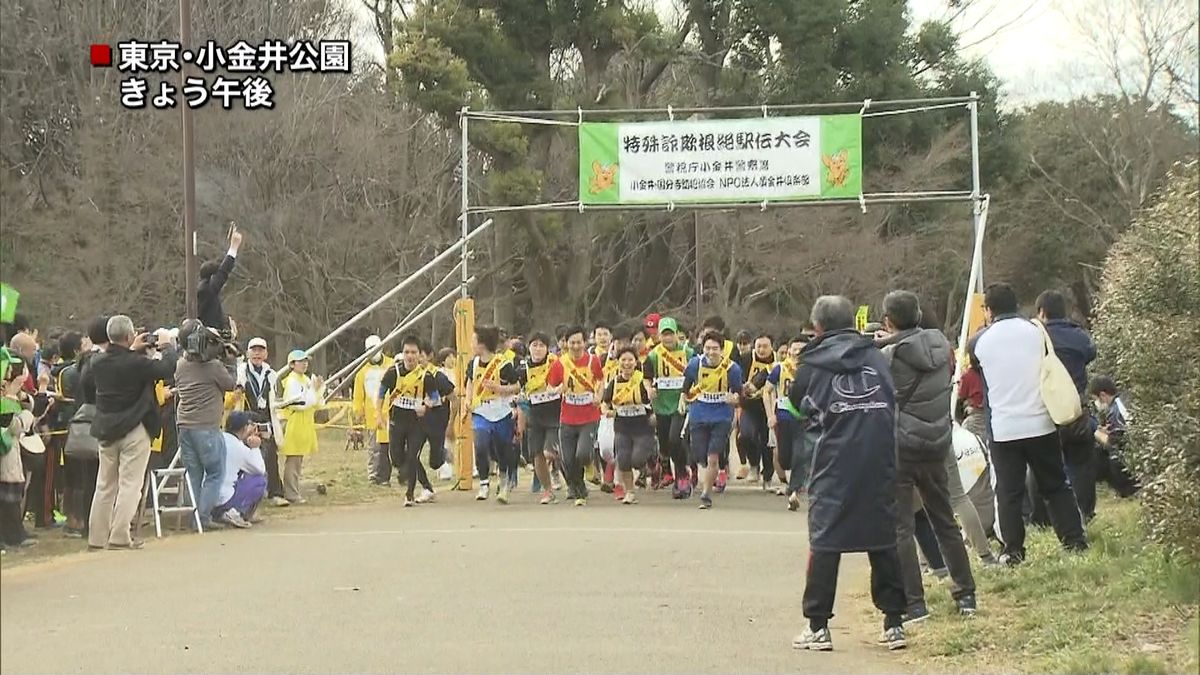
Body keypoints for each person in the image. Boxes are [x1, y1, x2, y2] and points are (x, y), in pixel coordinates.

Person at [787, 296, 908, 652]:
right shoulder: (876, 354)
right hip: (879, 455)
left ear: (818, 327)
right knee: (882, 537)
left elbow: (796, 404)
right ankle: (894, 623)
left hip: (833, 459)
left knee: (825, 540)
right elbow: (891, 396)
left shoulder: (810, 363)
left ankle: (818, 625)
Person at [875, 290, 980, 620]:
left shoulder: (890, 357)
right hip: (937, 442)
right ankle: (966, 595)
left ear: (889, 321)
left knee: (901, 528)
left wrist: (882, 344)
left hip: (900, 446)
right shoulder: (943, 347)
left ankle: (914, 603)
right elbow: (914, 345)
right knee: (944, 519)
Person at [969, 283, 1088, 566]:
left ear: (989, 309)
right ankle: (1073, 540)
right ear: (1017, 304)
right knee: (1056, 485)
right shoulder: (1036, 332)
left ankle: (1013, 550)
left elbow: (976, 368)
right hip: (1041, 424)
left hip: (1004, 427)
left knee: (1009, 493)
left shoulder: (980, 342)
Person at [86, 315, 178, 550]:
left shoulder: (97, 362)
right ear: (129, 336)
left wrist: (131, 349)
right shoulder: (137, 364)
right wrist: (168, 345)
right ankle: (119, 535)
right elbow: (167, 367)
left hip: (106, 429)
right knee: (130, 484)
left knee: (104, 484)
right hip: (134, 427)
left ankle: (96, 538)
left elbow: (116, 360)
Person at [1034, 290, 1099, 521]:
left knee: (1044, 464)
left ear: (1042, 312)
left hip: (1045, 410)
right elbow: (1091, 353)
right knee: (1081, 462)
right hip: (1075, 409)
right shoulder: (1078, 335)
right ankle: (1085, 513)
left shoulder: (1035, 337)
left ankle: (1047, 517)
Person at [175, 320, 237, 531]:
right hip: (207, 427)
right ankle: (201, 519)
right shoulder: (213, 367)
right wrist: (230, 361)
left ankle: (190, 517)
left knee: (193, 473)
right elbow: (230, 384)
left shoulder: (180, 364)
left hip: (185, 426)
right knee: (214, 473)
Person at [379, 336, 448, 507]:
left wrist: (426, 405)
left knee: (412, 456)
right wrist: (378, 415)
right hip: (397, 421)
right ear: (402, 354)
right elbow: (381, 393)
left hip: (417, 424)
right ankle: (405, 474)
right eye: (406, 352)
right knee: (396, 458)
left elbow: (435, 398)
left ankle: (409, 494)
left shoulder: (426, 376)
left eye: (413, 352)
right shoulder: (393, 372)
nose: (410, 356)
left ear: (419, 355)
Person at [681, 332, 742, 510]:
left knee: (712, 456)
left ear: (722, 350)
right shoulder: (695, 364)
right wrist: (684, 400)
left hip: (721, 415)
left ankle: (706, 494)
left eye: (715, 348)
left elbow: (739, 393)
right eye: (708, 348)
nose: (711, 352)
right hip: (699, 413)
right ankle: (705, 473)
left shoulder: (732, 368)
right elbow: (686, 387)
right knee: (699, 454)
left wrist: (735, 399)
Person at [547, 325, 605, 506]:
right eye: (572, 342)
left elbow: (600, 380)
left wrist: (598, 396)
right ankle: (578, 488)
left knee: (583, 453)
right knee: (567, 458)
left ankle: (589, 470)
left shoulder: (592, 361)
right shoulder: (560, 363)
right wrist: (557, 390)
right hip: (567, 417)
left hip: (589, 416)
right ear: (566, 344)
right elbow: (550, 387)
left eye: (579, 342)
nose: (576, 346)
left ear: (585, 342)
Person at [461, 327, 520, 503]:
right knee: (480, 444)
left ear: (482, 344)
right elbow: (470, 382)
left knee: (503, 449)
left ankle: (504, 479)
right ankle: (484, 482)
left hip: (501, 411)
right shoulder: (473, 363)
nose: (471, 344)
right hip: (481, 412)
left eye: (473, 341)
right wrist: (467, 400)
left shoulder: (503, 364)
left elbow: (517, 386)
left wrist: (500, 389)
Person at [643, 317, 694, 498]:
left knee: (675, 439)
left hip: (681, 404)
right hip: (662, 405)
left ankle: (682, 475)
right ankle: (675, 469)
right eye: (664, 335)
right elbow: (647, 376)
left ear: (676, 335)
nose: (667, 339)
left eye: (670, 334)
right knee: (665, 445)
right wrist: (649, 388)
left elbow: (697, 373)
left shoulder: (688, 353)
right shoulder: (654, 355)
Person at [601, 347, 655, 504]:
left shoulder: (642, 380)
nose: (627, 363)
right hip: (622, 427)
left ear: (636, 362)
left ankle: (653, 454)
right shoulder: (614, 382)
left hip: (643, 427)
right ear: (618, 363)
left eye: (630, 360)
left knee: (637, 460)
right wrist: (607, 412)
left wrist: (653, 404)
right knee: (623, 460)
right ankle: (630, 492)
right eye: (623, 360)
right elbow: (605, 403)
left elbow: (652, 398)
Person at [242, 337, 286, 506]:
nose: (257, 354)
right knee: (247, 457)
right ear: (248, 353)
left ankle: (275, 492)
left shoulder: (271, 374)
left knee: (270, 456)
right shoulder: (241, 371)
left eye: (260, 350)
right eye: (254, 350)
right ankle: (247, 495)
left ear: (266, 354)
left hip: (266, 419)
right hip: (246, 419)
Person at [1, 348, 37, 551]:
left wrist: (23, 399)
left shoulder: (16, 394)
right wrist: (27, 417)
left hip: (11, 453)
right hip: (5, 450)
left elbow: (29, 406)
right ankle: (12, 535)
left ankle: (15, 532)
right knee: (6, 498)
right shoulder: (6, 397)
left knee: (12, 497)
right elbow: (11, 424)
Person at [519, 333, 561, 504]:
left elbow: (565, 382)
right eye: (534, 345)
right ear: (529, 347)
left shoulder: (556, 364)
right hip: (535, 416)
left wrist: (557, 389)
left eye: (541, 345)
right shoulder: (523, 368)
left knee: (548, 452)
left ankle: (562, 468)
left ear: (547, 348)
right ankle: (548, 490)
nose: (537, 349)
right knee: (537, 454)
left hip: (555, 414)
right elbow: (517, 388)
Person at [278, 351, 323, 505]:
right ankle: (291, 493)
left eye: (305, 361)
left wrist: (318, 389)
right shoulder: (292, 381)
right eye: (300, 361)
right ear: (292, 364)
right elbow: (301, 403)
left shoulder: (305, 379)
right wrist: (313, 391)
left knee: (298, 459)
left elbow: (316, 402)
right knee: (293, 459)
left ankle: (294, 490)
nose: (304, 364)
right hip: (295, 422)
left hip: (305, 423)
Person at [213, 411, 267, 529]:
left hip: (209, 496)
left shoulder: (217, 438)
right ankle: (236, 511)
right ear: (244, 429)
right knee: (260, 481)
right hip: (225, 499)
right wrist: (255, 448)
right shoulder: (239, 447)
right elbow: (260, 469)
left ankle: (219, 513)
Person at [1087, 376, 1140, 497]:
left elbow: (1113, 443)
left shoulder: (1115, 411)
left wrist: (1095, 432)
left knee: (1099, 456)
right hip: (1132, 452)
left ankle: (1128, 490)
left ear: (1102, 395)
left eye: (1096, 399)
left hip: (1129, 457)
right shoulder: (1122, 401)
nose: (1096, 404)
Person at [353, 335, 394, 486]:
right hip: (372, 415)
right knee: (373, 447)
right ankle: (373, 474)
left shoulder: (391, 364)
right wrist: (358, 413)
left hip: (390, 413)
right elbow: (358, 395)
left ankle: (385, 476)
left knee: (388, 446)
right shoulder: (362, 372)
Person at [736, 333, 776, 485]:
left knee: (768, 442)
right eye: (758, 346)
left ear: (772, 347)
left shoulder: (777, 362)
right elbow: (736, 377)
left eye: (765, 346)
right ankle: (753, 464)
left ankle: (767, 475)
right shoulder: (746, 359)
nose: (761, 349)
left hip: (769, 407)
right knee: (745, 435)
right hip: (749, 406)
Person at [197, 224, 244, 333]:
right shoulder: (206, 290)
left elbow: (221, 272)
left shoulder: (204, 287)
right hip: (210, 335)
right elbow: (223, 273)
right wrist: (233, 248)